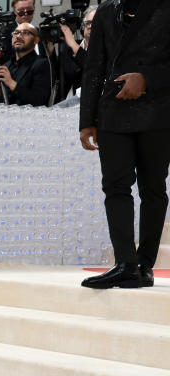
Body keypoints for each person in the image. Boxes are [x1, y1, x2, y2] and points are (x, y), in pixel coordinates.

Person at [80, 0, 170, 289]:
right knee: (115, 187)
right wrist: (87, 120)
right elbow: (94, 67)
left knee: (153, 187)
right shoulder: (106, 11)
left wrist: (147, 79)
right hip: (112, 111)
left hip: (157, 111)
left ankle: (144, 264)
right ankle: (125, 263)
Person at [0, 23, 51, 107]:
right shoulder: (6, 65)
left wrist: (11, 83)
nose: (18, 36)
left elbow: (39, 100)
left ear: (36, 40)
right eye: (15, 33)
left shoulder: (41, 64)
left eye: (25, 33)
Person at [54, 8, 96, 103]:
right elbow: (60, 79)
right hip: (66, 106)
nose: (90, 26)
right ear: (83, 27)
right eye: (88, 23)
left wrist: (73, 44)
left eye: (94, 23)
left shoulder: (107, 50)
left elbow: (93, 68)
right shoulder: (68, 49)